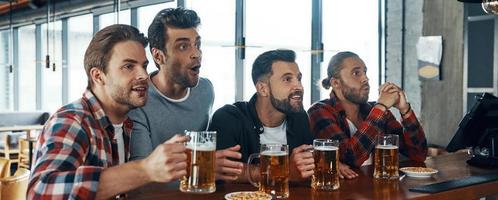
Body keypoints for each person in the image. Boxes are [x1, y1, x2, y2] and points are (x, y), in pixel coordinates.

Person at [28, 24, 188, 199]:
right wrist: (144, 169)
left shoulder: (126, 123)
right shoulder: (72, 121)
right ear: (98, 76)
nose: (143, 75)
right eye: (129, 66)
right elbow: (41, 191)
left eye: (144, 66)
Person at [127, 7, 241, 181]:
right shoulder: (139, 99)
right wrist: (203, 165)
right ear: (158, 56)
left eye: (197, 44)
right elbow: (142, 175)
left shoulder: (206, 90)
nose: (196, 54)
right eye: (183, 46)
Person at [308, 51, 427, 171]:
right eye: (356, 73)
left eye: (365, 72)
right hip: (341, 189)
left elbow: (418, 155)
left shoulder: (375, 110)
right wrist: (381, 107)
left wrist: (405, 110)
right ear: (335, 83)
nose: (365, 78)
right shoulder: (319, 111)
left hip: (379, 187)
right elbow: (350, 157)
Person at [209, 49, 315, 181]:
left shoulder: (300, 118)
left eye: (298, 78)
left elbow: (308, 167)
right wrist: (284, 172)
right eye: (287, 79)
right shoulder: (228, 118)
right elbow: (222, 171)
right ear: (262, 89)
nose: (298, 86)